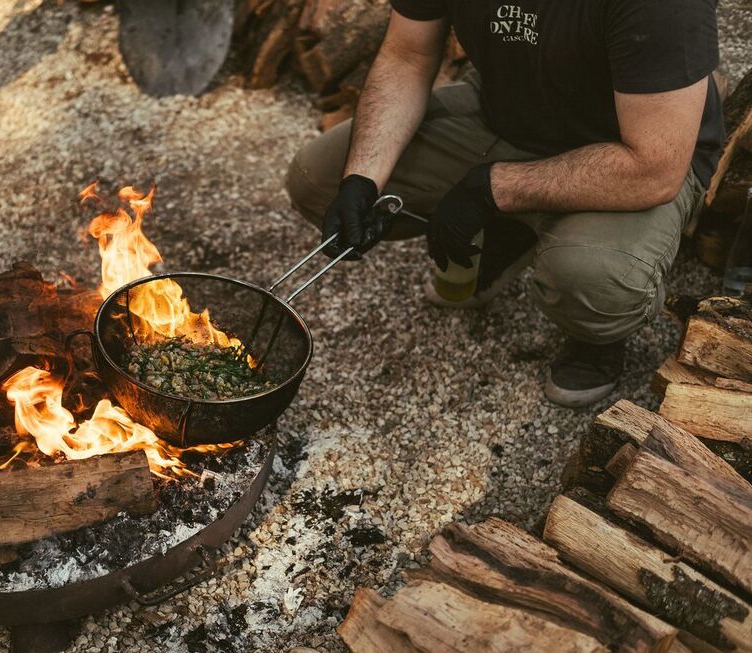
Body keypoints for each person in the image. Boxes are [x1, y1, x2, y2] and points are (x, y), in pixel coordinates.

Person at [285, 0, 723, 408]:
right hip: (506, 114)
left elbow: (654, 167)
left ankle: (595, 336)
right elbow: (407, 57)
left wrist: (494, 188)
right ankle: (516, 229)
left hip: (629, 151)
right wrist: (362, 178)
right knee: (317, 181)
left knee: (594, 282)